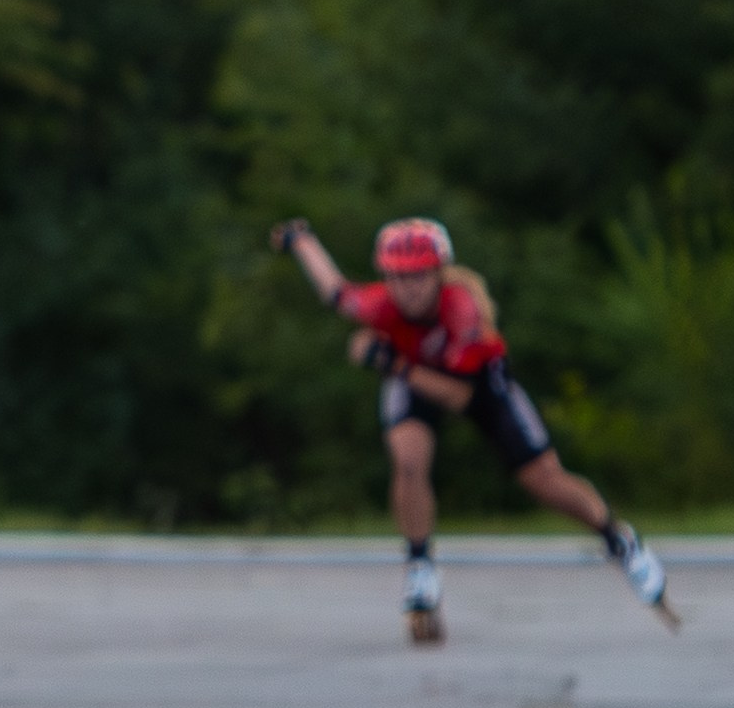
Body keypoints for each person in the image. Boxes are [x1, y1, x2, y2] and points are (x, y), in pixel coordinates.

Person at [272, 216, 672, 641]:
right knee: (408, 460)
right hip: (414, 376)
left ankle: (619, 540)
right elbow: (335, 291)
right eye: (398, 277)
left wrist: (393, 364)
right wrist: (302, 241)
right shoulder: (380, 304)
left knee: (544, 480)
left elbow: (460, 397)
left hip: (475, 385)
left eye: (419, 277)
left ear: (439, 274)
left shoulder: (462, 309)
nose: (408, 289)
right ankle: (420, 566)